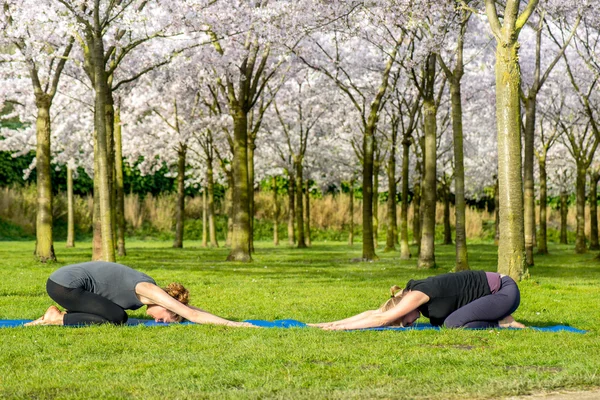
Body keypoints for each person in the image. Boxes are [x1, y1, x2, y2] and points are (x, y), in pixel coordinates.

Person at [25, 261, 254, 327]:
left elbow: (190, 311)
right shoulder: (147, 289)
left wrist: (225, 318)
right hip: (63, 285)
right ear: (167, 302)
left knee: (113, 315)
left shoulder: (150, 293)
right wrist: (236, 325)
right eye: (168, 316)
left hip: (71, 287)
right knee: (118, 317)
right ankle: (57, 318)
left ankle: (60, 314)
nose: (161, 320)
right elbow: (191, 315)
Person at [310, 270, 526, 330]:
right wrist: (332, 323)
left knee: (452, 324)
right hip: (494, 295)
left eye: (406, 322)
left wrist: (342, 330)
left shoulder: (416, 295)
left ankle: (502, 321)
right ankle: (500, 318)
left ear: (405, 308)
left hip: (504, 291)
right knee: (448, 322)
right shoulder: (414, 298)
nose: (411, 324)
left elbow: (383, 320)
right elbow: (376, 313)